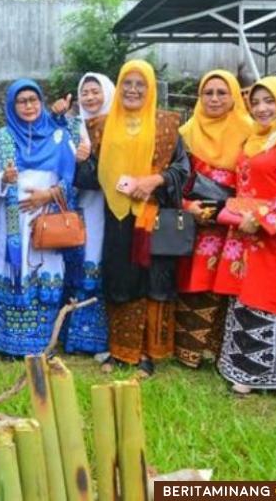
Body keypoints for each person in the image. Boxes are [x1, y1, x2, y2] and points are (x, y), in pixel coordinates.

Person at [218, 76, 276, 394]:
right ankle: (246, 371)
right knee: (252, 294)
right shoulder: (256, 139)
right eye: (255, 102)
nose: (261, 108)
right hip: (254, 233)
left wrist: (262, 219)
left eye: (269, 100)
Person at [96, 60, 190, 377]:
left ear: (150, 89)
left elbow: (182, 169)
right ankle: (120, 350)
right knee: (120, 278)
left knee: (151, 280)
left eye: (140, 84)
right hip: (117, 215)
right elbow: (89, 174)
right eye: (127, 83)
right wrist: (83, 158)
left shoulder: (166, 124)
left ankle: (147, 354)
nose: (133, 90)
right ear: (119, 86)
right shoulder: (103, 125)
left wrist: (154, 181)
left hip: (151, 216)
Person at [0, 79, 77, 357]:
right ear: (12, 106)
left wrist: (48, 195)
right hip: (13, 220)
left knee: (45, 273)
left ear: (41, 102)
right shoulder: (1, 138)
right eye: (21, 101)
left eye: (33, 100)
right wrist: (4, 177)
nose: (28, 106)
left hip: (48, 217)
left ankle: (43, 342)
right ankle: (10, 344)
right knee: (13, 272)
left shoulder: (59, 133)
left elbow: (71, 177)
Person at [174, 70, 253, 368]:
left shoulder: (251, 132)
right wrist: (187, 206)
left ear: (234, 96)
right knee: (194, 279)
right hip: (196, 220)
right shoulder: (186, 133)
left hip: (235, 223)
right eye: (209, 93)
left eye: (222, 92)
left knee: (227, 282)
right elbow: (176, 176)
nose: (215, 98)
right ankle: (188, 351)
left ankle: (221, 350)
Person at [60, 72, 116, 355]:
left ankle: (98, 339)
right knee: (77, 266)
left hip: (108, 209)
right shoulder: (71, 127)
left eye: (96, 91)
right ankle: (73, 337)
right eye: (85, 93)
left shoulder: (119, 127)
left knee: (99, 263)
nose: (90, 98)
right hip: (76, 208)